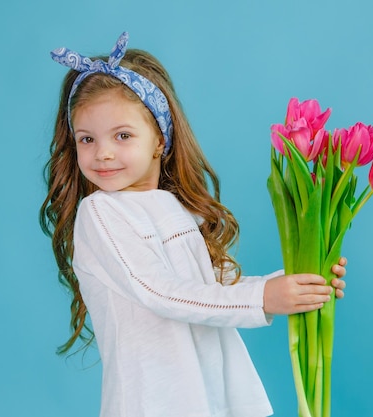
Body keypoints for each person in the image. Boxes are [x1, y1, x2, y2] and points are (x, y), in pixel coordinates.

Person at [40, 32, 347, 417]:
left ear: (158, 140)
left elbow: (212, 289)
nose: (102, 152)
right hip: (154, 402)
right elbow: (162, 293)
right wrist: (263, 298)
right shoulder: (100, 213)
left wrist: (298, 281)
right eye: (86, 139)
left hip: (208, 396)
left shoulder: (174, 208)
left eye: (122, 136)